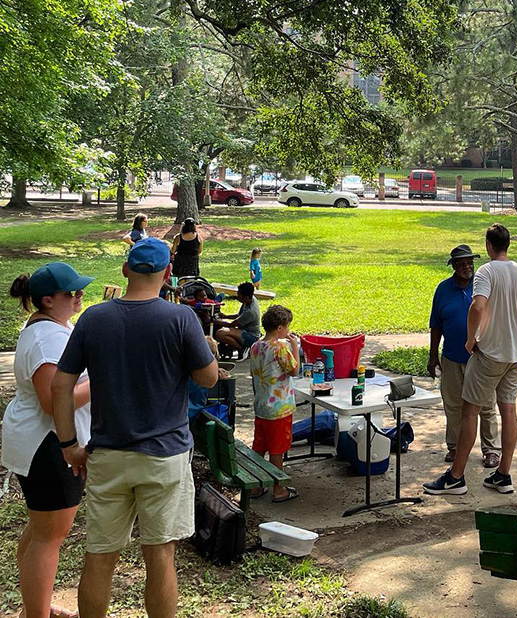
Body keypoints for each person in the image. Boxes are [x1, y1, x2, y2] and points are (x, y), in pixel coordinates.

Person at [51, 237, 218, 618]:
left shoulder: (94, 317)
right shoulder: (180, 318)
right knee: (160, 554)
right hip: (165, 457)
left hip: (107, 454)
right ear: (168, 273)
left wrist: (68, 445)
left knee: (100, 554)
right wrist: (204, 348)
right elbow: (208, 379)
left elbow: (61, 384)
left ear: (126, 270)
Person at [3, 263, 94, 618]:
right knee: (49, 535)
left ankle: (33, 607)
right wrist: (102, 380)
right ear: (47, 300)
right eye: (70, 293)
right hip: (48, 444)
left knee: (41, 530)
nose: (78, 296)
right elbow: (53, 400)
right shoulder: (47, 338)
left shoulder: (51, 327)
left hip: (41, 441)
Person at [425, 223, 517, 496]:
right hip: (515, 355)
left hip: (490, 354)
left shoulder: (486, 271)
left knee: (470, 410)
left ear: (488, 245)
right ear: (508, 244)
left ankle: (456, 477)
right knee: (508, 410)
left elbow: (477, 306)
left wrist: (471, 339)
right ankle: (503, 474)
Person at [428, 245, 501, 469]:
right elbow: (435, 325)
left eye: (469, 262)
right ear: (454, 266)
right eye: (461, 263)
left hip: (480, 359)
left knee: (486, 405)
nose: (466, 267)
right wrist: (433, 356)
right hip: (451, 356)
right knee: (453, 404)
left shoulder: (483, 287)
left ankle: (491, 450)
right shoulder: (443, 289)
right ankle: (455, 447)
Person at [249, 305, 300, 503]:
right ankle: (279, 488)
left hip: (261, 405)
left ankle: (254, 486)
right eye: (287, 327)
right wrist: (294, 346)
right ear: (279, 328)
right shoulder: (280, 347)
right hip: (279, 407)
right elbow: (294, 370)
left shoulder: (256, 346)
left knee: (260, 446)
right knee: (277, 449)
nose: (288, 331)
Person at [215, 282, 261, 354]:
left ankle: (242, 349)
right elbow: (239, 315)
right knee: (222, 326)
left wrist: (214, 321)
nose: (237, 297)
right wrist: (224, 316)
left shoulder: (251, 312)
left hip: (251, 336)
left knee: (220, 333)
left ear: (245, 297)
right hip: (243, 330)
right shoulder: (249, 300)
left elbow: (232, 324)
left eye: (239, 295)